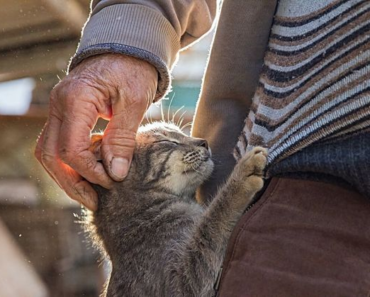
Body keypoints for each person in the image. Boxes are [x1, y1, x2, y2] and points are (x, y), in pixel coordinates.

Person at [35, 0, 370, 296]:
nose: (197, 142)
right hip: (302, 166)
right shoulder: (144, 237)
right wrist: (126, 36)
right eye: (172, 141)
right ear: (122, 167)